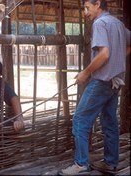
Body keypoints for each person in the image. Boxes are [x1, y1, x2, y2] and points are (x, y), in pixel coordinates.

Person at [58, 0, 131, 175]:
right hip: (115, 81)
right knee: (109, 121)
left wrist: (85, 72)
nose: (85, 12)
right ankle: (111, 162)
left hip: (102, 81)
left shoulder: (100, 23)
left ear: (98, 4)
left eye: (87, 7)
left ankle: (81, 164)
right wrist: (119, 57)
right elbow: (127, 45)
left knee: (80, 120)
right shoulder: (117, 23)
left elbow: (104, 54)